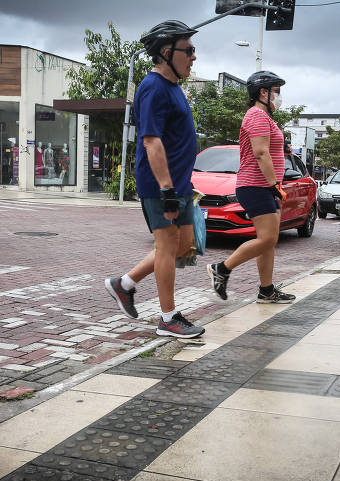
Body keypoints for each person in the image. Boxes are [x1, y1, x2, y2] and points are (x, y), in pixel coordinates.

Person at [104, 20, 204, 339]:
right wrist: (167, 189)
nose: (193, 57)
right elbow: (151, 141)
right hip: (162, 185)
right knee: (166, 246)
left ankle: (125, 284)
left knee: (185, 246)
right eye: (188, 50)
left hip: (178, 183)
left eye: (193, 51)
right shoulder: (152, 87)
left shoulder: (172, 87)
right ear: (166, 51)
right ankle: (168, 318)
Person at [207, 70, 295, 304]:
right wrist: (275, 185)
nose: (279, 96)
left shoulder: (265, 117)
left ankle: (266, 290)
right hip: (256, 185)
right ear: (262, 92)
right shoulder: (256, 115)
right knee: (267, 239)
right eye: (276, 91)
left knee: (269, 240)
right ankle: (222, 268)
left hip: (265, 186)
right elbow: (260, 152)